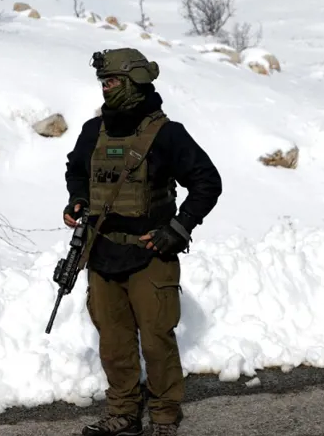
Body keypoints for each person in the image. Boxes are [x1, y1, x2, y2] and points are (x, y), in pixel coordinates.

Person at [63, 47, 223, 436]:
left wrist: (178, 229)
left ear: (135, 81)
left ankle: (165, 415)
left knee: (156, 340)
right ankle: (123, 412)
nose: (105, 89)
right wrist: (78, 199)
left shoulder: (167, 134)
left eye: (113, 81)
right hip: (101, 253)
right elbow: (76, 170)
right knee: (114, 343)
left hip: (151, 255)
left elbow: (207, 182)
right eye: (103, 82)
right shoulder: (92, 131)